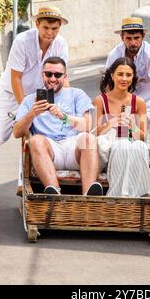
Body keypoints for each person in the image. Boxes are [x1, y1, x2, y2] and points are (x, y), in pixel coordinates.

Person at [0, 5, 69, 166]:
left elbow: (61, 77)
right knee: (4, 133)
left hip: (41, 92)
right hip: (12, 91)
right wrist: (24, 109)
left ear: (60, 27)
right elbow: (16, 78)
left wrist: (68, 101)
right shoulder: (22, 41)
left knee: (41, 132)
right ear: (37, 25)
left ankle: (30, 177)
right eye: (46, 28)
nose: (50, 33)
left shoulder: (61, 44)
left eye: (55, 28)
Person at [13, 57, 102, 196]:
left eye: (58, 75)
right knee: (36, 140)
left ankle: (88, 195)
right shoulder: (30, 100)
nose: (53, 79)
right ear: (42, 75)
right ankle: (54, 193)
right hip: (49, 149)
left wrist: (63, 117)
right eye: (48, 74)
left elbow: (88, 125)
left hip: (73, 146)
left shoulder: (76, 94)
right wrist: (32, 114)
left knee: (88, 138)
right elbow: (17, 132)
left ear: (65, 76)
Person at [93, 57, 150, 197]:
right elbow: (94, 132)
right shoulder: (100, 100)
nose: (124, 79)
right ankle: (120, 198)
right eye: (120, 74)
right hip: (108, 148)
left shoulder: (138, 102)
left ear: (133, 78)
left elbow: (143, 137)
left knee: (140, 146)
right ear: (112, 75)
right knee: (122, 146)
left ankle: (141, 196)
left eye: (128, 75)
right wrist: (112, 123)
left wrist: (133, 126)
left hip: (130, 147)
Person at [105, 17, 150, 119]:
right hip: (121, 104)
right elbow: (107, 83)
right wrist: (109, 109)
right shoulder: (114, 54)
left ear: (143, 37)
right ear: (122, 37)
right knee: (123, 133)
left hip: (144, 103)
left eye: (137, 38)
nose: (133, 43)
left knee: (144, 133)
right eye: (128, 38)